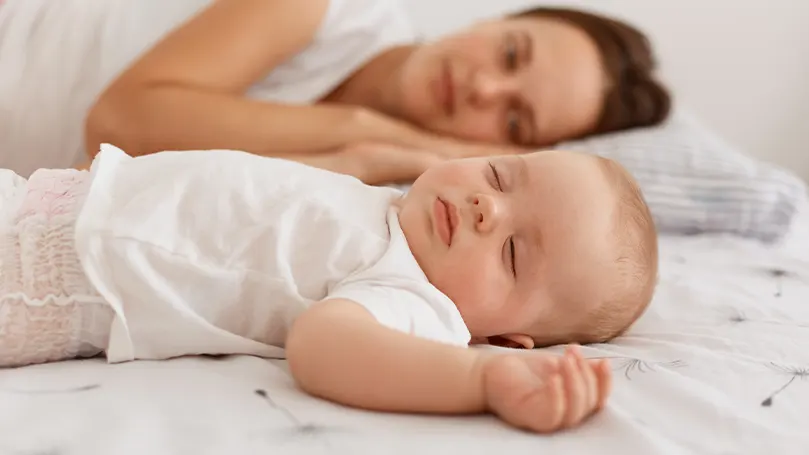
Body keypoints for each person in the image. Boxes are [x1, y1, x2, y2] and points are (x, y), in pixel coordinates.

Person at [0, 143, 658, 434]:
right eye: (498, 174)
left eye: (513, 253)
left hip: (52, 277)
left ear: (508, 337)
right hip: (44, 201)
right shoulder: (389, 207)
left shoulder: (415, 300)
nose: (488, 208)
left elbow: (323, 344)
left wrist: (478, 381)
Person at [1, 0, 670, 183]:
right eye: (509, 53)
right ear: (491, 21)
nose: (483, 87)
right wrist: (373, 131)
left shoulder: (399, 185)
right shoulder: (328, 7)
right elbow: (120, 122)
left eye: (515, 119)